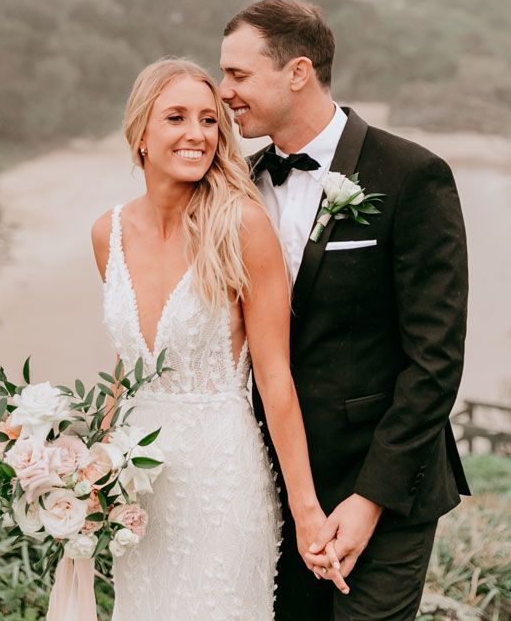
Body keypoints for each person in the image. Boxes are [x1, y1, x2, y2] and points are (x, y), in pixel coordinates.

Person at [219, 0, 470, 621]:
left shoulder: (413, 175)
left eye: (238, 75)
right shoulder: (239, 187)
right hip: (273, 490)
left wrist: (369, 501)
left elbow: (435, 360)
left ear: (297, 71)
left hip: (386, 487)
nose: (225, 92)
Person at [91, 58, 348, 621]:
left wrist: (307, 511)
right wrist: (90, 466)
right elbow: (128, 360)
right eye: (176, 117)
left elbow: (275, 376)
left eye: (210, 120)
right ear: (140, 133)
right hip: (138, 490)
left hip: (221, 482)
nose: (197, 134)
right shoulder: (107, 233)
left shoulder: (241, 226)